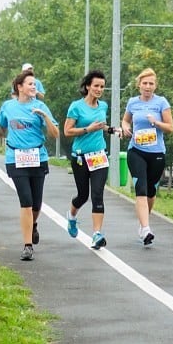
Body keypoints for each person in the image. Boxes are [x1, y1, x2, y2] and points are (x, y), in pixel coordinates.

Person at [0, 70, 59, 261]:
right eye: (30, 84)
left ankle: (33, 225)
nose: (34, 87)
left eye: (35, 84)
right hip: (15, 157)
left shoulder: (41, 106)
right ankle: (27, 246)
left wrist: (45, 117)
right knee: (25, 200)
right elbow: (2, 130)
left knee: (36, 202)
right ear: (20, 87)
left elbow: (55, 134)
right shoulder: (8, 106)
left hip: (37, 156)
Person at [121, 68, 173, 246]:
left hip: (156, 153)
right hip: (136, 151)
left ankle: (144, 223)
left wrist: (156, 122)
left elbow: (170, 127)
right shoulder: (132, 102)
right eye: (145, 83)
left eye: (151, 83)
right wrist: (125, 127)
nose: (148, 86)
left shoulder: (161, 102)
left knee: (151, 191)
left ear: (155, 86)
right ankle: (146, 228)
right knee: (141, 188)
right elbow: (125, 120)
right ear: (139, 85)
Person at [63, 70, 113, 249]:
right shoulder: (76, 107)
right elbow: (67, 131)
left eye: (102, 86)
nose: (99, 89)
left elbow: (101, 125)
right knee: (83, 195)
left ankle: (97, 234)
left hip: (99, 156)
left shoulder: (103, 106)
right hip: (80, 157)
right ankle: (72, 216)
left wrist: (112, 130)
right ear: (87, 87)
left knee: (97, 194)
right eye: (96, 86)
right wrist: (87, 129)